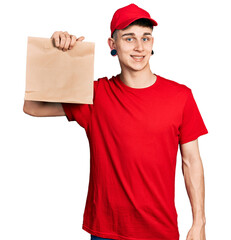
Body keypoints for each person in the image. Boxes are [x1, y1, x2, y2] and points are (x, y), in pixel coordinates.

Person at [23, 3, 208, 240]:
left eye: (146, 38)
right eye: (129, 38)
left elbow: (191, 162)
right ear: (113, 44)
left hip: (160, 230)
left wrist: (199, 222)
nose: (139, 47)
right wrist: (56, 54)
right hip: (106, 232)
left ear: (153, 43)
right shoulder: (95, 95)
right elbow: (33, 107)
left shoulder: (180, 96)